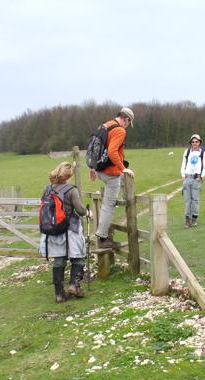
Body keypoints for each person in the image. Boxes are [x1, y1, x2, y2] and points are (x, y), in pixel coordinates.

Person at [40, 162, 90, 303]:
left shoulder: (47, 189)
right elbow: (80, 210)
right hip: (70, 229)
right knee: (78, 257)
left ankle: (59, 294)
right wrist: (88, 212)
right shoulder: (71, 190)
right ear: (69, 175)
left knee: (59, 260)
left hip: (52, 230)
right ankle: (74, 285)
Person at [90, 107, 135, 248]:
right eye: (128, 122)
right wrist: (123, 168)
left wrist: (92, 167)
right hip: (110, 172)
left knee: (109, 199)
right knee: (108, 206)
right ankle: (102, 238)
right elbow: (112, 152)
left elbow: (94, 148)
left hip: (100, 170)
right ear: (126, 119)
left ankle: (119, 198)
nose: (127, 125)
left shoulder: (105, 125)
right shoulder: (120, 130)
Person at [180, 134, 205, 228]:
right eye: (193, 142)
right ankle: (187, 220)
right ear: (191, 143)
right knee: (187, 201)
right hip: (187, 177)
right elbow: (183, 164)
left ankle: (194, 219)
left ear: (199, 142)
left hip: (196, 178)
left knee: (195, 200)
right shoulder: (187, 152)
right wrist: (183, 175)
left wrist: (201, 176)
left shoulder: (202, 153)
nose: (194, 143)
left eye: (196, 141)